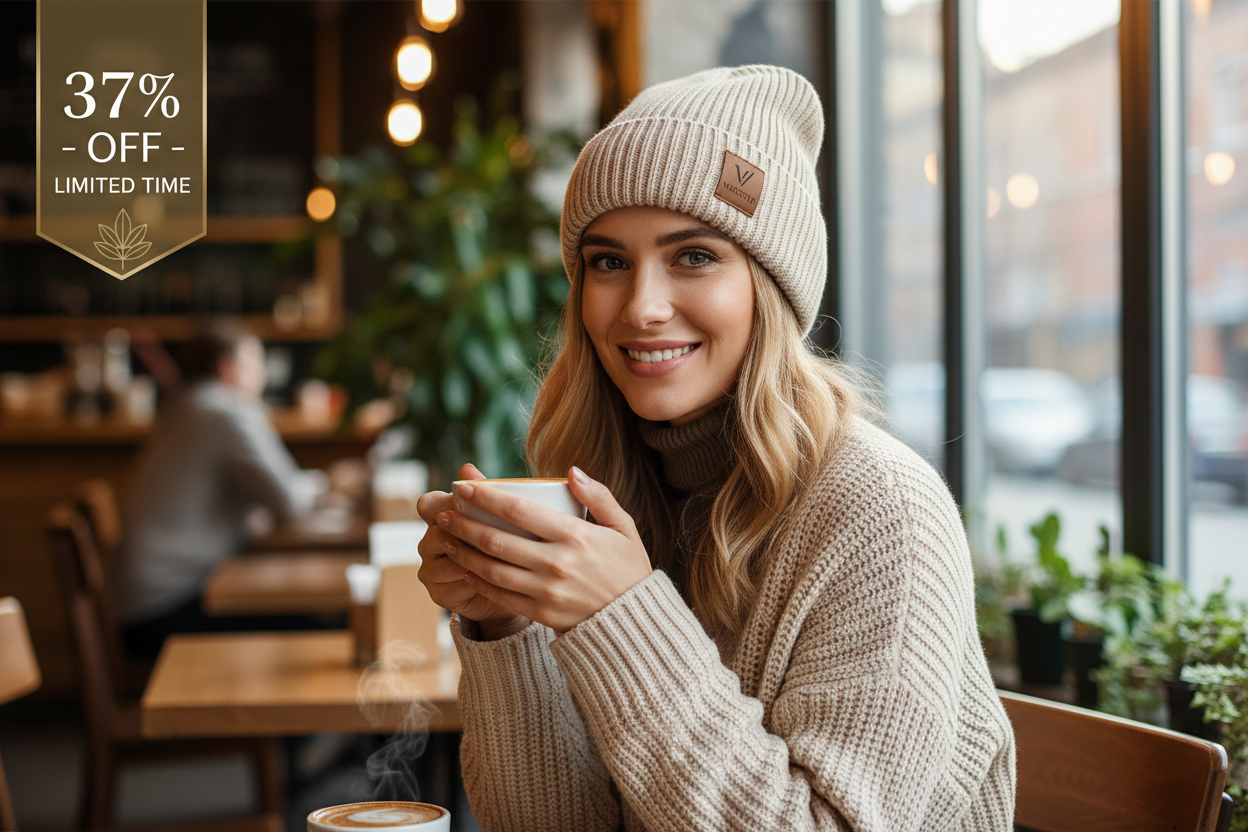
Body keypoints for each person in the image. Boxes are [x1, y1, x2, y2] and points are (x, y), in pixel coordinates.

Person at [417, 66, 1015, 830]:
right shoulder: (616, 483)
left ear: (772, 287)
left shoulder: (882, 511)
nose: (643, 306)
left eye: (694, 255)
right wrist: (505, 628)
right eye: (608, 262)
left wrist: (623, 618)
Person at [116, 323, 330, 659]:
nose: (262, 378)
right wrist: (328, 482)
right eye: (256, 365)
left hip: (143, 606)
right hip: (167, 611)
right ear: (229, 368)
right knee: (322, 636)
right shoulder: (225, 411)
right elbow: (289, 502)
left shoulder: (183, 407)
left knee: (311, 627)